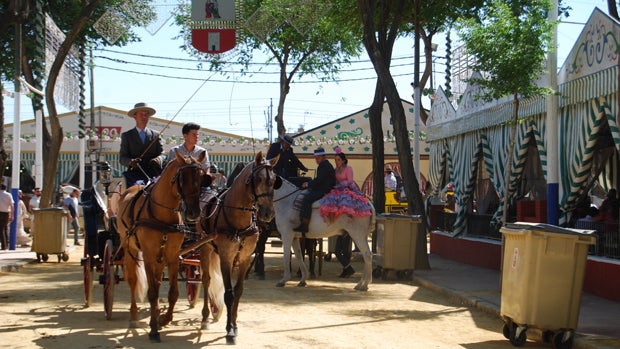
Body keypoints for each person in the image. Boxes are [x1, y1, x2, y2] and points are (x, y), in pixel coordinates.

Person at [318, 149, 373, 277]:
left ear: (343, 160)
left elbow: (349, 182)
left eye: (338, 160)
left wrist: (339, 185)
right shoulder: (336, 171)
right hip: (338, 191)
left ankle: (351, 217)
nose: (336, 162)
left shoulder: (349, 169)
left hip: (347, 190)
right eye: (335, 160)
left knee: (347, 202)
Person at [120, 102, 166, 187]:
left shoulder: (156, 135)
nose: (144, 117)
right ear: (135, 116)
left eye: (146, 115)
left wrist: (159, 159)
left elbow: (162, 153)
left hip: (154, 173)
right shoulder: (127, 136)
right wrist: (131, 162)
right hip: (134, 174)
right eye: (141, 114)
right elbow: (122, 157)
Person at [293, 147, 336, 233]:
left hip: (324, 190)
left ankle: (305, 224)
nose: (316, 160)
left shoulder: (324, 166)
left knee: (307, 199)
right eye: (315, 158)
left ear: (323, 157)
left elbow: (319, 180)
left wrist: (308, 184)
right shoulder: (325, 165)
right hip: (323, 188)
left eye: (317, 158)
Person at [0, 184, 14, 250]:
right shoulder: (9, 195)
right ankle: (6, 245)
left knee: (1, 229)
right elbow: (12, 205)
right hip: (6, 213)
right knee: (5, 228)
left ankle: (3, 245)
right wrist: (12, 215)